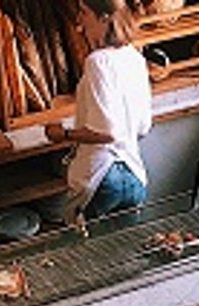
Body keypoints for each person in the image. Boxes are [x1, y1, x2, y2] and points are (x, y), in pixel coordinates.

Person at [45, 0, 152, 221]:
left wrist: (63, 134)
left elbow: (106, 133)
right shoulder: (136, 58)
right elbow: (143, 127)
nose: (79, 21)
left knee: (90, 251)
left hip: (102, 178)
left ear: (104, 18)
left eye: (84, 12)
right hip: (135, 177)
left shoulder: (98, 62)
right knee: (123, 250)